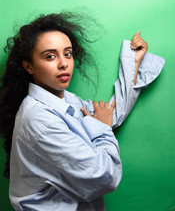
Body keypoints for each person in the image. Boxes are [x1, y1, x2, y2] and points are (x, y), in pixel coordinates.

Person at [0, 12, 165, 211]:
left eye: (67, 53)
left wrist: (134, 62)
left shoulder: (65, 99)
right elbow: (105, 176)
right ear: (29, 66)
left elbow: (110, 113)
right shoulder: (41, 120)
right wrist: (102, 127)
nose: (63, 63)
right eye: (50, 56)